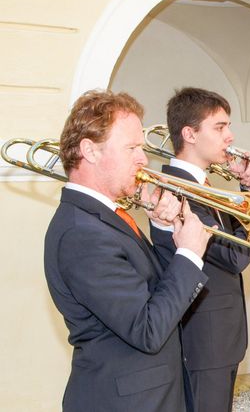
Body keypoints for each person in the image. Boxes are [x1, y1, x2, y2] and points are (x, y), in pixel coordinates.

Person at [44, 89, 211, 411]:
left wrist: (170, 233)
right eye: (132, 147)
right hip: (127, 401)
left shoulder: (107, 218)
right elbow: (147, 329)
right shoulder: (83, 233)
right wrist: (190, 254)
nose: (143, 159)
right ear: (90, 150)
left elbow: (155, 291)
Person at [153, 87, 250, 412]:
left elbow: (230, 237)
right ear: (189, 134)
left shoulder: (202, 185)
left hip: (218, 336)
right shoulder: (177, 191)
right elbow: (234, 256)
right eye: (219, 127)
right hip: (204, 338)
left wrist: (249, 190)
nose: (230, 136)